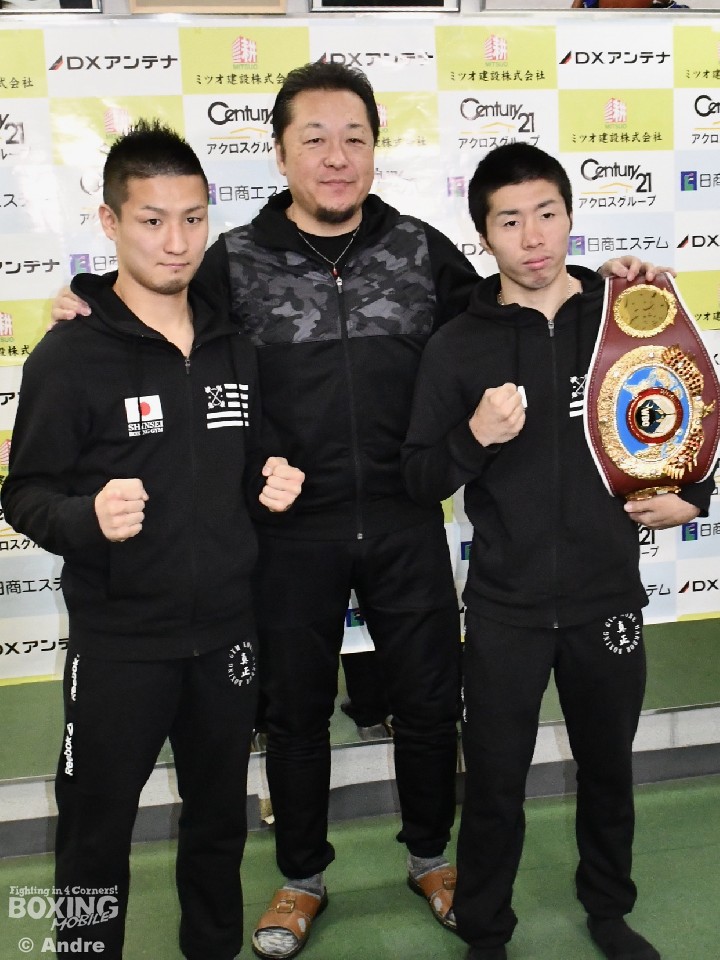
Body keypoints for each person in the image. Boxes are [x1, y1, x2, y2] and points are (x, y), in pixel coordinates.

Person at [50, 62, 666, 960]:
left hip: (409, 522)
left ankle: (430, 858)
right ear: (280, 154)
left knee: (429, 707)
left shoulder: (419, 248)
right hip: (287, 533)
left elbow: (514, 300)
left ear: (376, 150)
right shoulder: (231, 259)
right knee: (294, 716)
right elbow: (158, 311)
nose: (336, 157)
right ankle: (302, 875)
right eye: (315, 139)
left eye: (355, 139)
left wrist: (603, 282)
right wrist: (88, 301)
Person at [402, 142, 715, 960]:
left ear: (570, 216)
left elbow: (688, 409)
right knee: (495, 783)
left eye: (546, 213)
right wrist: (474, 436)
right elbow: (419, 475)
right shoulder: (457, 345)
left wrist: (698, 494)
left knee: (608, 770)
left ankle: (608, 911)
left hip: (606, 594)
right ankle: (486, 931)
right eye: (509, 221)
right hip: (503, 608)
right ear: (484, 236)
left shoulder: (625, 312)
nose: (533, 236)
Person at [2, 120, 304, 960]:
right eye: (152, 220)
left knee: (217, 827)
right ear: (110, 222)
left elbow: (253, 458)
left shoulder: (233, 344)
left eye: (193, 219)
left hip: (227, 636)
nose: (177, 242)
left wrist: (273, 479)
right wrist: (84, 518)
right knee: (94, 835)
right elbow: (23, 493)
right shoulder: (70, 356)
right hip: (120, 645)